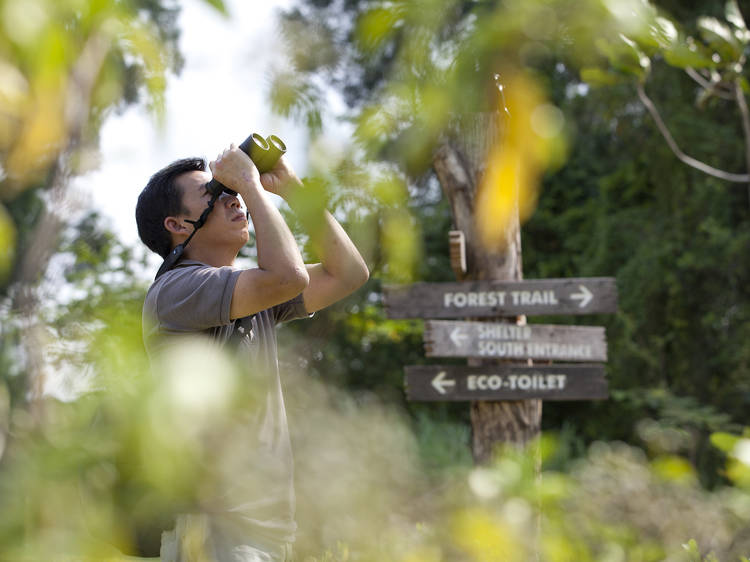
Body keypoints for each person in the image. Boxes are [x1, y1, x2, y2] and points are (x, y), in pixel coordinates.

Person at [134, 143, 369, 561]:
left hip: (265, 529)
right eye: (214, 195)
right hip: (213, 527)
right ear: (177, 224)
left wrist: (292, 188)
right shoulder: (176, 292)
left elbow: (348, 273)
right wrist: (251, 187)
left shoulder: (247, 292)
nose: (233, 198)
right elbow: (288, 276)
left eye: (230, 190)